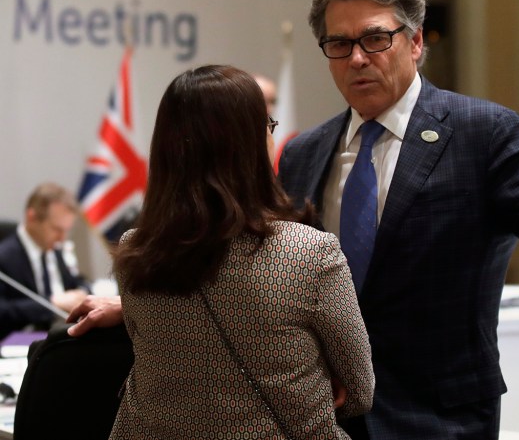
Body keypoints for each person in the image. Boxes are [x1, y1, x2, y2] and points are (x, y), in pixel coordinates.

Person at [69, 0, 519, 440]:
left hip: (438, 416)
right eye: (339, 43)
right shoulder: (306, 151)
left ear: (417, 42)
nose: (357, 58)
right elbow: (250, 267)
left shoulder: (481, 134)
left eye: (376, 38)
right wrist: (149, 299)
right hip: (322, 415)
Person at [103, 65, 373, 439]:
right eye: (269, 125)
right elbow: (359, 391)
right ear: (250, 143)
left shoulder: (136, 250)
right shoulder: (310, 253)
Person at [0, 182, 89, 338]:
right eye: (57, 229)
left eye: (66, 231)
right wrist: (52, 303)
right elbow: (3, 311)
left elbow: (76, 281)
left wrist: (83, 293)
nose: (62, 239)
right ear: (32, 217)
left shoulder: (56, 249)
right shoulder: (5, 257)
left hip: (62, 338)